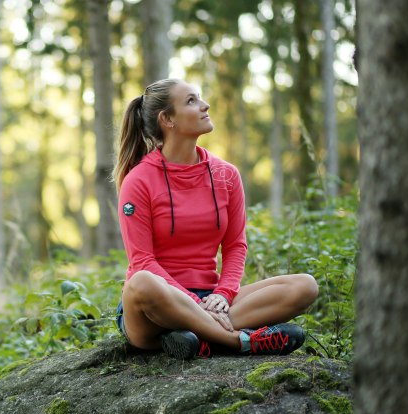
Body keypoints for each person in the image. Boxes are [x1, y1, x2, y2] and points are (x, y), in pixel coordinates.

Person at [113, 78, 318, 359]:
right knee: (141, 281)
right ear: (167, 119)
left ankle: (196, 339)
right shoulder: (139, 180)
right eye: (191, 101)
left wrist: (223, 294)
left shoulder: (226, 175)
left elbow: (235, 245)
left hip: (213, 299)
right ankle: (237, 342)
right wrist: (194, 304)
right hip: (156, 307)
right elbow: (142, 260)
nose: (204, 105)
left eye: (199, 98)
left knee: (304, 285)